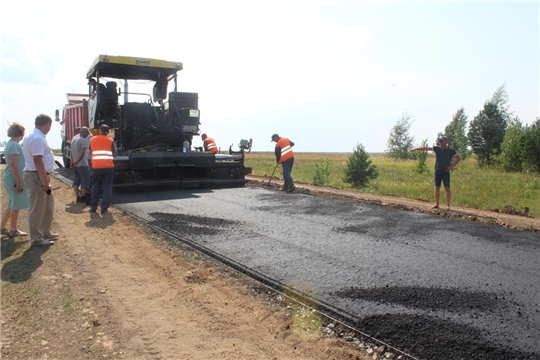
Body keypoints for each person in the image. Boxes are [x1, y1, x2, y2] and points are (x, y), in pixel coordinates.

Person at [22, 114, 59, 247]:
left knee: (48, 204)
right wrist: (44, 180)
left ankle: (45, 231)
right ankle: (36, 238)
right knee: (37, 207)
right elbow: (38, 161)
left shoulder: (34, 135)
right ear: (45, 124)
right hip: (37, 177)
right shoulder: (37, 138)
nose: (50, 129)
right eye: (49, 126)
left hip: (41, 176)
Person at [410, 136, 461, 210]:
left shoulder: (451, 151)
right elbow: (426, 148)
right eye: (439, 141)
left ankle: (448, 205)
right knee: (437, 188)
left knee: (447, 188)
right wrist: (415, 149)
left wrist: (451, 167)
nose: (440, 143)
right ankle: (437, 204)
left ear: (446, 142)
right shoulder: (437, 149)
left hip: (445, 172)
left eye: (441, 141)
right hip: (437, 171)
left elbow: (458, 158)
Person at [1, 123, 29, 238]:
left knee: (12, 203)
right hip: (14, 177)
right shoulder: (14, 145)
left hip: (10, 176)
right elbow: (13, 164)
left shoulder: (11, 144)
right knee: (16, 204)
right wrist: (19, 181)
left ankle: (2, 227)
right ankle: (14, 230)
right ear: (20, 133)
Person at [89, 124, 116, 214]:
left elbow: (90, 152)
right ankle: (104, 208)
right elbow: (114, 154)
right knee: (107, 187)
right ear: (108, 132)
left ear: (99, 131)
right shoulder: (110, 140)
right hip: (108, 166)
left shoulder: (92, 139)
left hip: (96, 166)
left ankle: (93, 208)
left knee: (95, 186)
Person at [71, 126, 91, 204]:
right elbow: (82, 153)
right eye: (87, 133)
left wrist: (72, 162)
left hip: (75, 165)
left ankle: (77, 197)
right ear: (83, 132)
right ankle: (83, 196)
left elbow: (71, 152)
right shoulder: (83, 140)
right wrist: (76, 161)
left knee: (76, 181)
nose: (87, 135)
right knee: (85, 180)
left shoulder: (74, 139)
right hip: (82, 164)